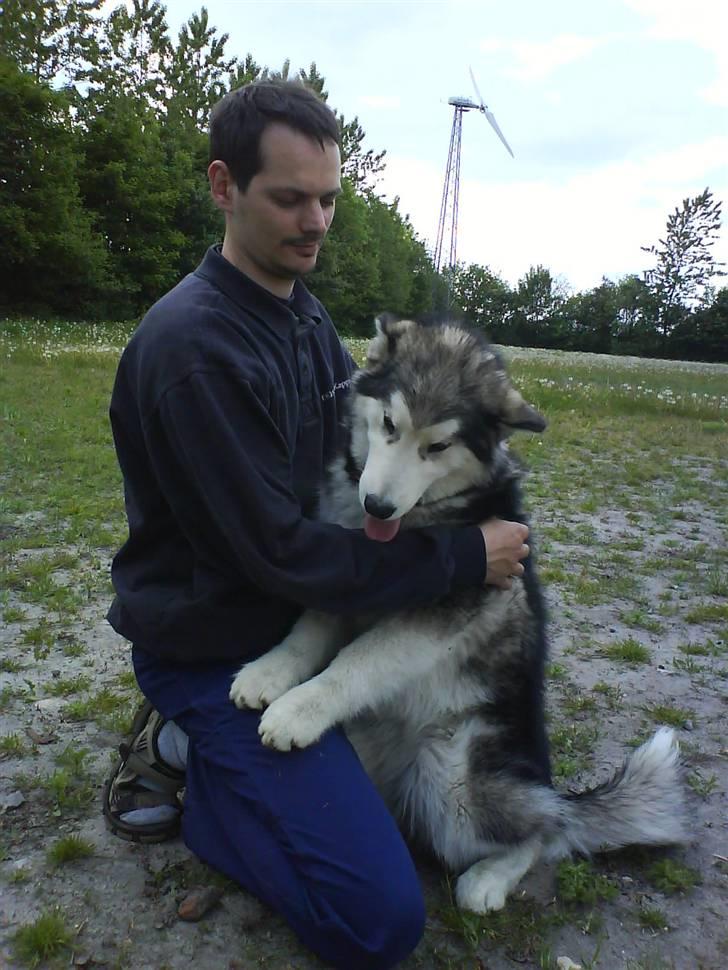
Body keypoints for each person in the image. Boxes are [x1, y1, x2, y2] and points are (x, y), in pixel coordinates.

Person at [102, 79, 530, 970]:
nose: (316, 221)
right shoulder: (196, 350)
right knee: (376, 919)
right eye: (289, 198)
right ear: (224, 186)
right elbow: (284, 553)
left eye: (329, 198)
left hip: (299, 625)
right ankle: (199, 760)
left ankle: (234, 758)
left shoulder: (302, 316)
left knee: (406, 806)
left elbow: (356, 483)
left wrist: (453, 482)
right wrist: (460, 558)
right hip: (215, 640)